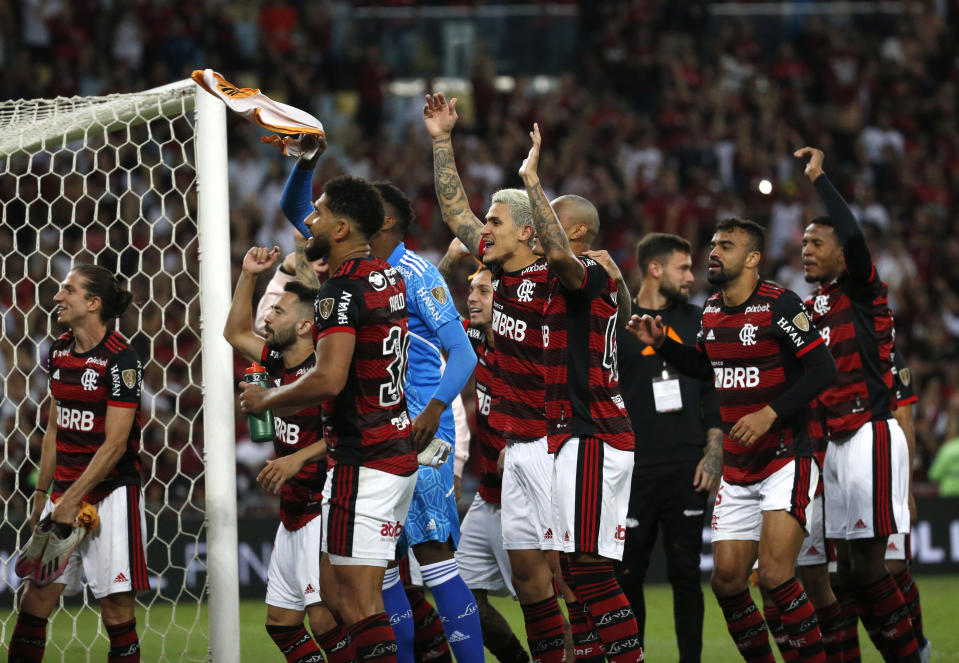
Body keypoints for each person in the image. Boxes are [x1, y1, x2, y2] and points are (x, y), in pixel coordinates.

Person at [277, 132, 480, 663]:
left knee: (432, 560)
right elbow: (295, 206)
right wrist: (306, 161)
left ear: (379, 222)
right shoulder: (351, 263)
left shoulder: (415, 274)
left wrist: (433, 412)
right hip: (372, 433)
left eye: (328, 213)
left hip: (414, 430)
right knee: (377, 577)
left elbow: (462, 355)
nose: (313, 221)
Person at [630, 216, 837, 663]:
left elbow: (824, 369)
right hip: (739, 468)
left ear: (753, 258)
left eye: (726, 245)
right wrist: (662, 343)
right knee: (726, 582)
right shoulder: (711, 310)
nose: (714, 252)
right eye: (713, 243)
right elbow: (707, 367)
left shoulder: (781, 305)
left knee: (778, 577)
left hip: (785, 457)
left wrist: (770, 412)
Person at [239, 174, 417, 663]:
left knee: (354, 604)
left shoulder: (338, 292)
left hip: (366, 457)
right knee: (344, 598)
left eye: (317, 213)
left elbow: (330, 379)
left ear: (340, 228)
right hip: (391, 449)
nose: (308, 221)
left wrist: (267, 400)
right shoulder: (387, 276)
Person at [423, 92, 566, 663]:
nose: (483, 228)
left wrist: (532, 181)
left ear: (529, 234)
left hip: (549, 453)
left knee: (554, 590)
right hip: (498, 478)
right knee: (464, 590)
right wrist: (441, 141)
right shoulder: (496, 286)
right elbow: (455, 213)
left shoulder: (557, 279)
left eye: (496, 223)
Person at [518, 123, 644, 663]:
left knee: (588, 569)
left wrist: (532, 183)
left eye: (548, 226)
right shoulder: (596, 279)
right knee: (572, 567)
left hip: (595, 433)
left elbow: (565, 259)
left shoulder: (586, 268)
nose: (536, 236)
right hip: (577, 434)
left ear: (576, 232)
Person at [797, 145, 922, 663]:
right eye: (803, 241)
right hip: (832, 445)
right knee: (843, 575)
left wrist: (821, 178)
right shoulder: (808, 308)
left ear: (842, 254)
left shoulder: (864, 291)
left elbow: (854, 235)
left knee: (871, 570)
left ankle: (913, 654)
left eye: (816, 242)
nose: (805, 249)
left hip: (870, 431)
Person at [9, 265, 147, 663]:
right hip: (63, 492)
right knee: (36, 597)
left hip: (110, 495)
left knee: (116, 609)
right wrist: (42, 492)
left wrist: (73, 499)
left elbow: (116, 443)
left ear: (93, 303)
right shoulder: (59, 351)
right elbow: (55, 427)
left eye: (67, 290)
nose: (57, 297)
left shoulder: (123, 359)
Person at [614, 232, 723, 663]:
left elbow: (714, 388)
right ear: (655, 269)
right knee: (627, 574)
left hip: (686, 464)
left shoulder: (697, 321)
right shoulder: (619, 322)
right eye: (683, 267)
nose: (692, 277)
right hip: (632, 469)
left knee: (684, 573)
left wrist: (713, 450)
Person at [223, 245, 334, 663]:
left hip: (322, 506)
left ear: (306, 326)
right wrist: (249, 275)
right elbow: (234, 333)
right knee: (281, 625)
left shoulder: (325, 372)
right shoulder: (276, 362)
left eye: (279, 312)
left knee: (324, 620)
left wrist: (298, 457)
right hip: (292, 511)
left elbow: (346, 432)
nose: (267, 317)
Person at [438, 240, 532, 663]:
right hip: (489, 495)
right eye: (471, 289)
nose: (472, 297)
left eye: (483, 291)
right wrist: (449, 261)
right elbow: (423, 304)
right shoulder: (474, 340)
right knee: (460, 592)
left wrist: (525, 444)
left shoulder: (531, 347)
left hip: (529, 493)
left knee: (547, 598)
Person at [886, 349, 930, 661]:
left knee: (895, 568)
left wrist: (907, 489)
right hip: (838, 472)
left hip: (886, 472)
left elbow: (905, 422)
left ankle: (917, 644)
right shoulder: (833, 344)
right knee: (840, 576)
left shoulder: (891, 359)